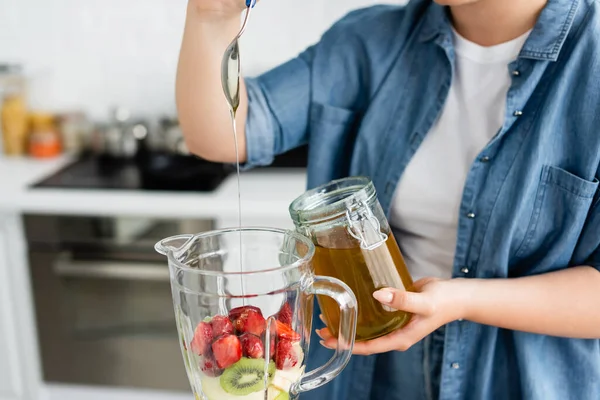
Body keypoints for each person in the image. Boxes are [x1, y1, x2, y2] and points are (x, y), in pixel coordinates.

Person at [176, 0, 600, 398]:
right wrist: (210, 15)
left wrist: (462, 300)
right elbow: (220, 133)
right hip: (364, 376)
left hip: (519, 380)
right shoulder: (368, 41)